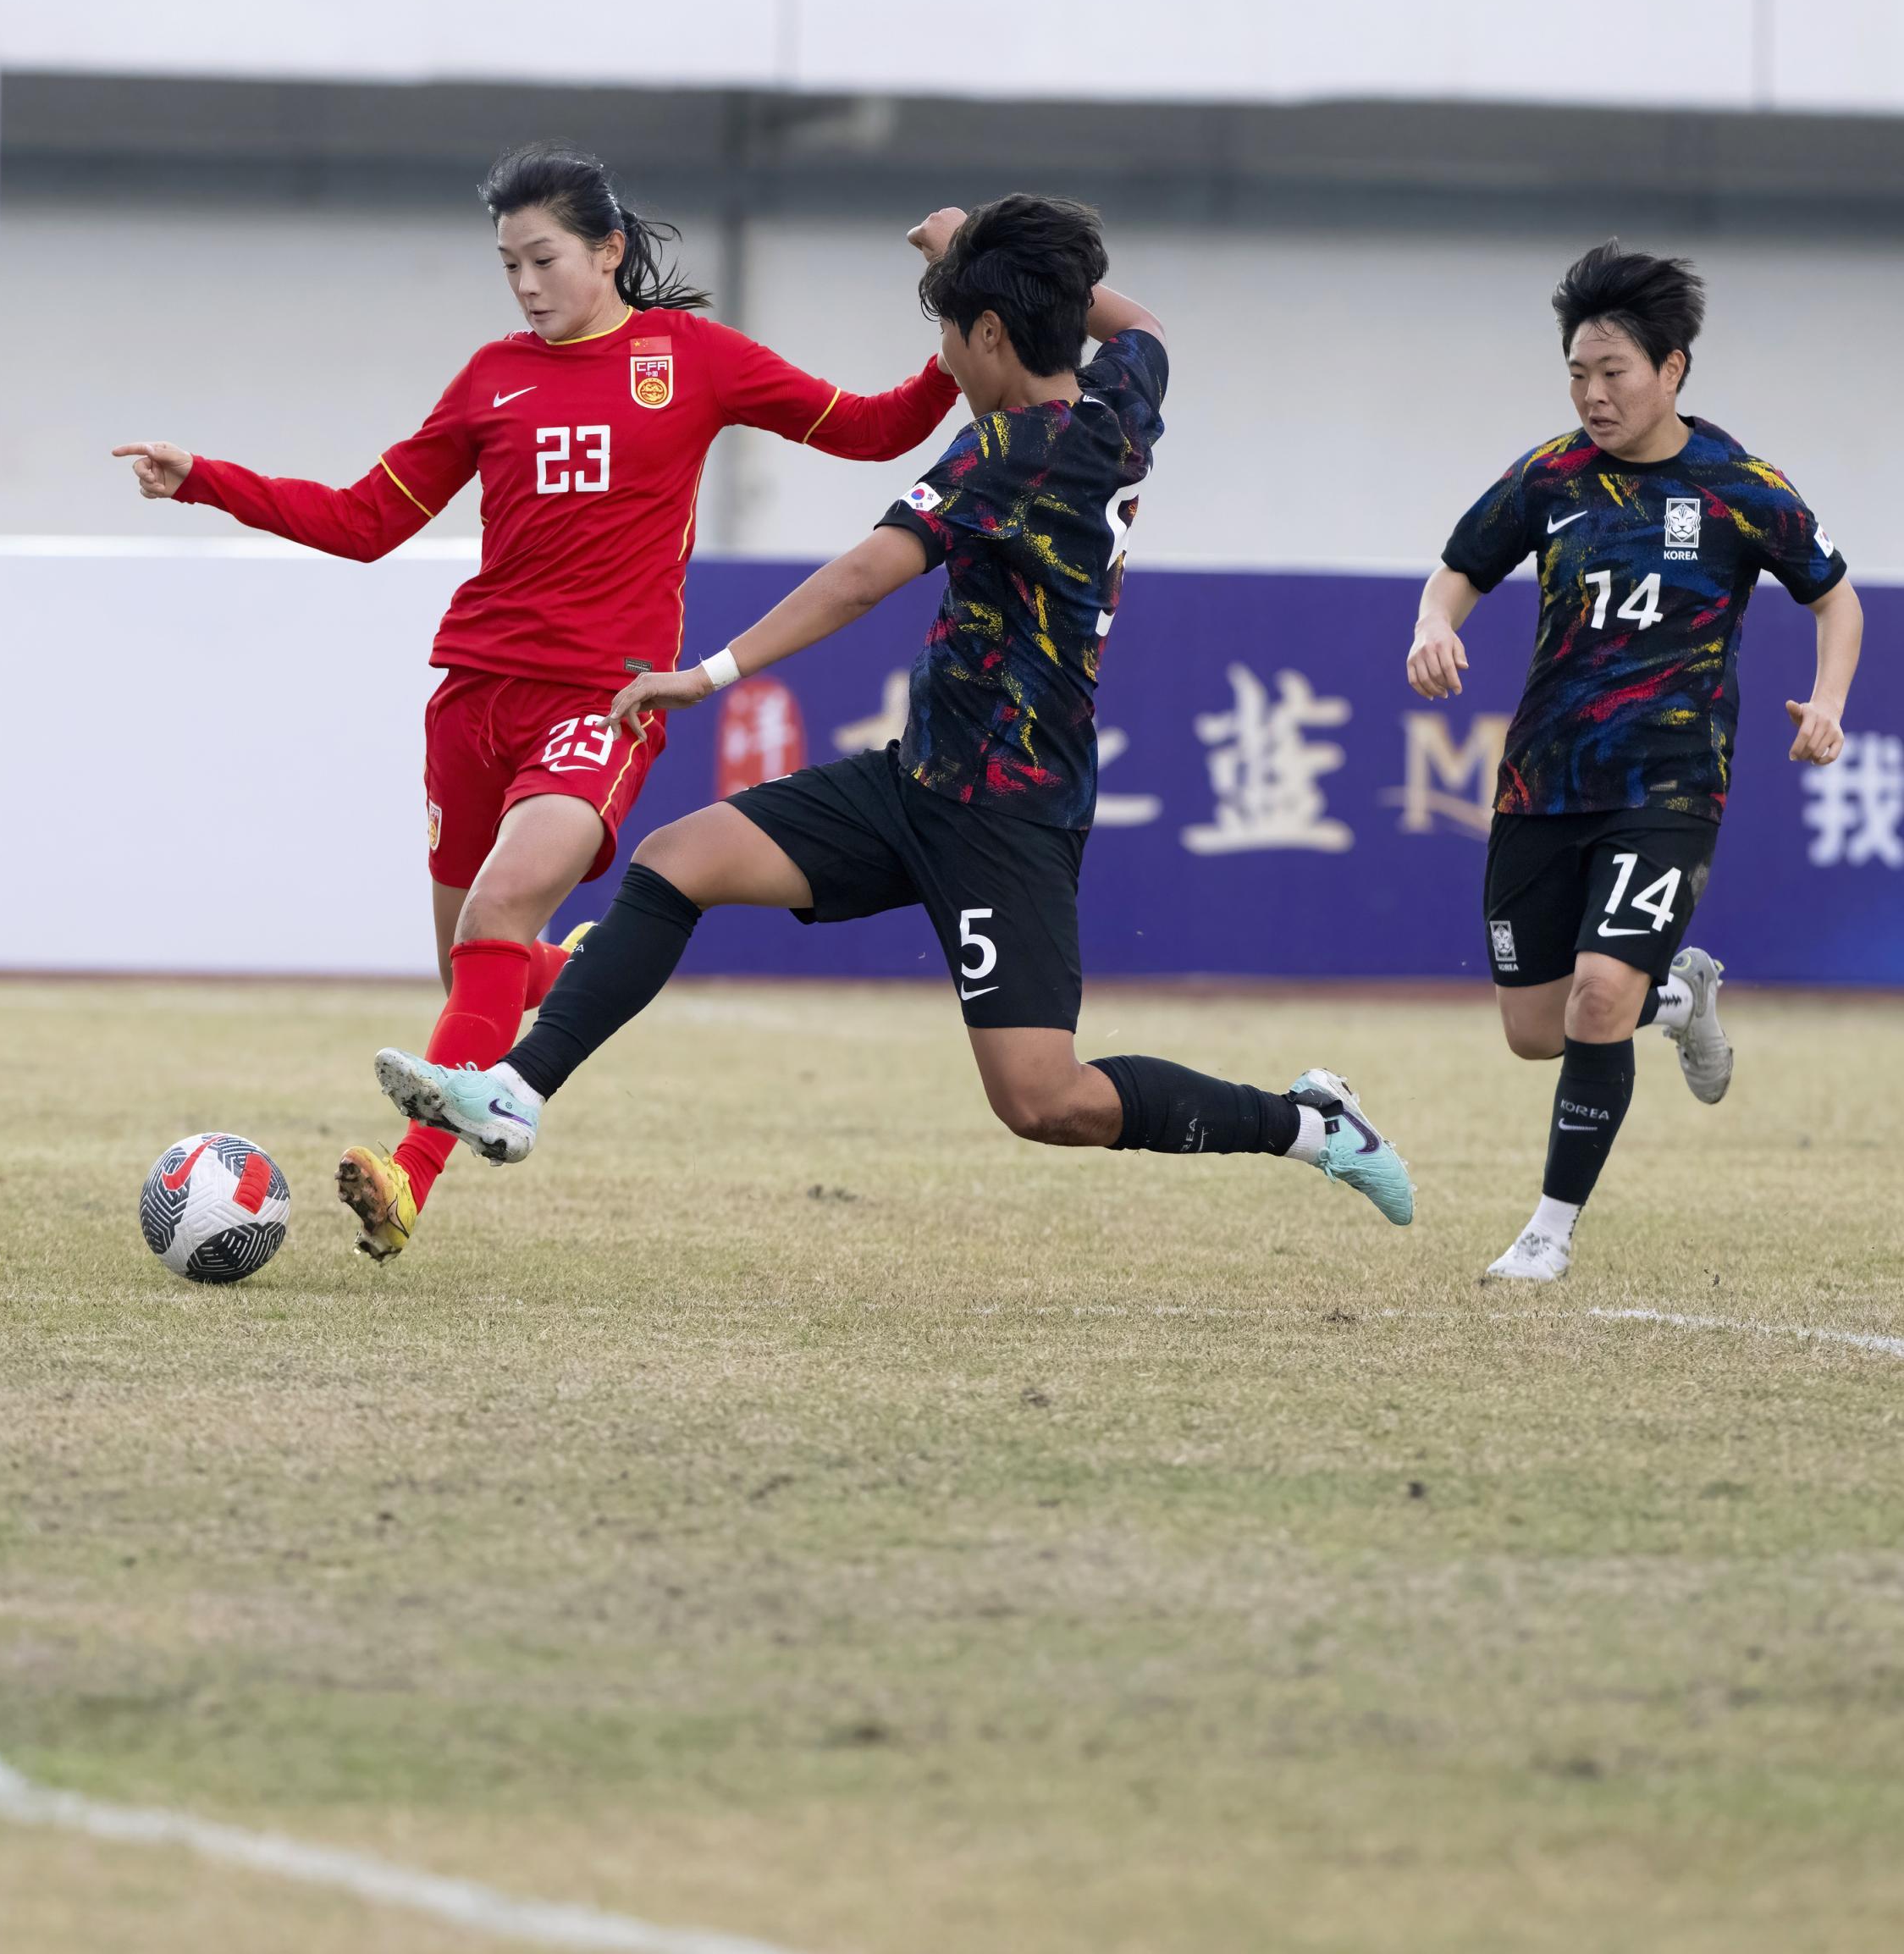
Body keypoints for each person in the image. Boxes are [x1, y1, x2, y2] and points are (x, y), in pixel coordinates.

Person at [371, 196, 1416, 1228]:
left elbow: (868, 574)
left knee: (1042, 1100)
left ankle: (1310, 1125)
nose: (947, 360)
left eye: (952, 333)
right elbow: (1141, 325)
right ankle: (518, 1088)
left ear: (992, 335)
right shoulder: (1121, 397)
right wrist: (991, 258)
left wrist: (711, 672)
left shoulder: (1008, 453)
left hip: (1007, 815)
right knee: (675, 861)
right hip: (913, 778)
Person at [116, 141, 967, 1261]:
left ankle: (404, 1176)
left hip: (601, 702)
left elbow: (872, 427)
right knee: (476, 971)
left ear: (608, 249)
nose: (523, 283)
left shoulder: (690, 357)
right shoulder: (488, 379)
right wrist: (208, 479)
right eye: (508, 263)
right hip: (470, 701)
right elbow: (366, 521)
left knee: (491, 920)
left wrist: (960, 326)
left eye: (543, 258)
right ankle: (591, 979)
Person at [1407, 243, 1863, 1283]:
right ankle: (1680, 1002)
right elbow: (1455, 571)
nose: (1593, 393)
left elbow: (1837, 598)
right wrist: (1431, 627)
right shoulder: (1549, 475)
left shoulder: (1742, 486)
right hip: (1541, 780)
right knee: (1538, 1029)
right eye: (1577, 372)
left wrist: (1827, 704)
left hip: (1670, 785)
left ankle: (1548, 1232)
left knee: (1598, 995)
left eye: (1613, 371)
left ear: (1673, 369)